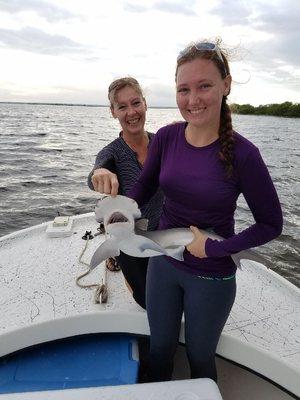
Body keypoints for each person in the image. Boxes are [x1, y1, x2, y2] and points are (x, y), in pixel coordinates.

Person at [126, 40, 283, 382]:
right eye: (184, 89)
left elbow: (271, 223)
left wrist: (215, 248)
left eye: (204, 86)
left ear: (226, 85)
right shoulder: (166, 137)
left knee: (199, 358)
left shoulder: (244, 154)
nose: (192, 99)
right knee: (159, 350)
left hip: (211, 274)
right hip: (163, 262)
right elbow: (145, 186)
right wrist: (124, 210)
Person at [87, 77, 164, 310]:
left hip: (163, 231)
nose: (131, 112)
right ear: (113, 112)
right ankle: (116, 256)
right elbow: (99, 169)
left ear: (145, 104)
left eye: (135, 103)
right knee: (146, 299)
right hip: (128, 239)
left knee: (173, 293)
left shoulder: (162, 143)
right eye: (122, 107)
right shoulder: (112, 152)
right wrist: (99, 173)